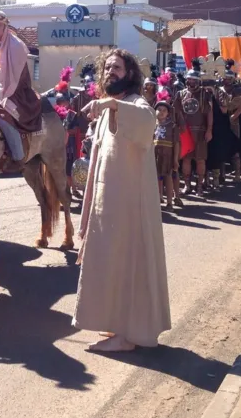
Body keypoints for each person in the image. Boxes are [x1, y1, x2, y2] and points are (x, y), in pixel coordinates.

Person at [72, 49, 171, 352]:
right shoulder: (109, 107)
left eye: (117, 68)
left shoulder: (134, 103)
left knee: (127, 262)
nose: (110, 72)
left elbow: (145, 120)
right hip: (106, 202)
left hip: (130, 206)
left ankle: (128, 336)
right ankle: (115, 325)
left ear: (130, 74)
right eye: (107, 68)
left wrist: (111, 103)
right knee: (109, 263)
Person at [0, 10, 43, 169]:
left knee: (2, 117)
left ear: (5, 26)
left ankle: (18, 157)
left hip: (15, 94)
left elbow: (14, 81)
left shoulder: (16, 46)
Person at [174, 61, 214, 196]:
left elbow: (209, 112)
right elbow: (177, 112)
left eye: (193, 79)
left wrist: (209, 130)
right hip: (186, 132)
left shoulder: (205, 93)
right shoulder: (181, 94)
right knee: (186, 159)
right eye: (189, 79)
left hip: (201, 131)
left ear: (198, 80)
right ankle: (187, 186)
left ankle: (200, 187)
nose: (190, 81)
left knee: (200, 159)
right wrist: (180, 127)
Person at [153, 100, 180, 210]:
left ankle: (169, 202)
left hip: (168, 155)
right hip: (155, 154)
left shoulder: (173, 126)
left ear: (168, 113)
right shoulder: (152, 124)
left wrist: (175, 159)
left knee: (168, 177)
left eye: (164, 110)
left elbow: (176, 143)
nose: (161, 112)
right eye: (159, 110)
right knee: (156, 177)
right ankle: (158, 199)